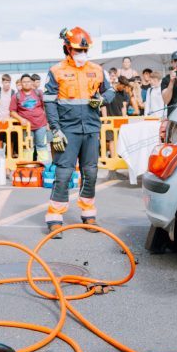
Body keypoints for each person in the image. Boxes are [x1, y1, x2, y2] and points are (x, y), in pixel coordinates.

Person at [43, 26, 114, 237]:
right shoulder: (56, 71)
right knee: (64, 173)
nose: (82, 53)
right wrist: (55, 130)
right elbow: (49, 102)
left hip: (91, 129)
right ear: (68, 48)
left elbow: (110, 91)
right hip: (67, 130)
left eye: (84, 50)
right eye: (78, 50)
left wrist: (102, 99)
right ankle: (54, 217)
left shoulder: (97, 69)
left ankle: (88, 213)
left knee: (90, 172)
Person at [10, 73, 50, 162]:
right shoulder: (16, 96)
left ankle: (44, 166)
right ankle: (27, 167)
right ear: (21, 83)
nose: (26, 83)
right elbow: (12, 111)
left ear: (31, 82)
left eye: (28, 81)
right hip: (26, 127)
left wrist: (48, 122)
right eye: (24, 82)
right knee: (27, 147)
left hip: (41, 125)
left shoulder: (39, 93)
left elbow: (46, 107)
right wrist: (21, 119)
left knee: (42, 146)